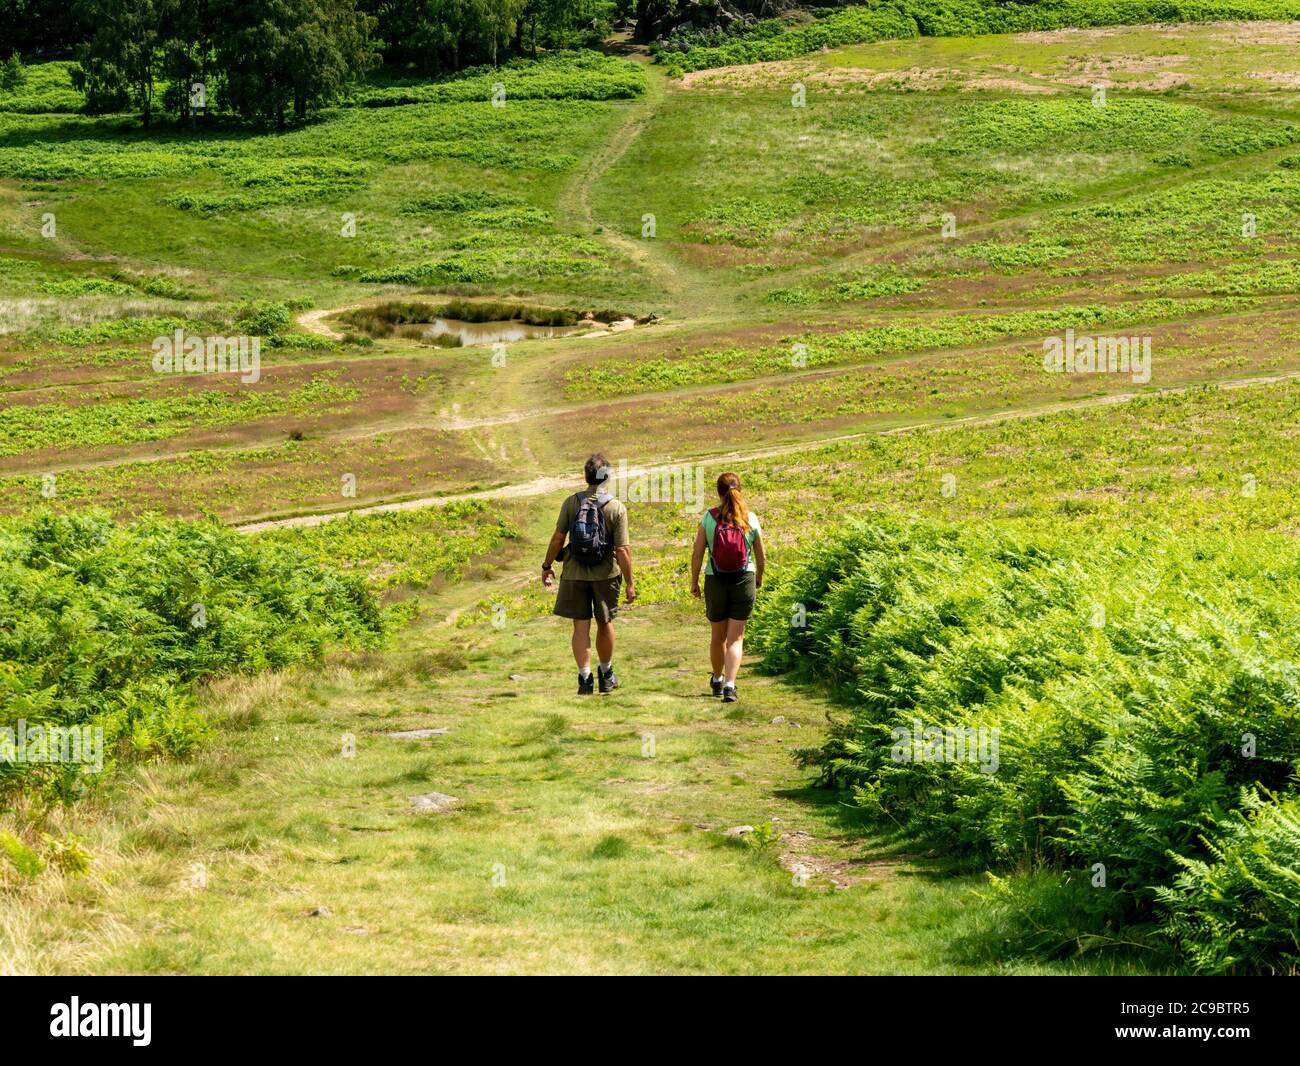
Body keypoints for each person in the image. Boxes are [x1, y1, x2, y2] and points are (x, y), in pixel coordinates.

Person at [542, 453, 635, 694]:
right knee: (605, 624)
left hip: (574, 574)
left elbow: (558, 539)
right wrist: (630, 583)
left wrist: (547, 566)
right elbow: (623, 550)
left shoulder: (571, 503)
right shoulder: (616, 507)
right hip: (606, 576)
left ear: (586, 476)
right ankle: (606, 674)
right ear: (608, 477)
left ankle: (585, 679)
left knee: (580, 627)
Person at [690, 472, 765, 703]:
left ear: (718, 493)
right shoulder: (750, 518)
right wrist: (758, 577)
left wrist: (694, 582)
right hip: (744, 579)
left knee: (718, 637)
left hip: (716, 579)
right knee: (736, 638)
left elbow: (698, 553)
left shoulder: (709, 518)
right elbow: (762, 556)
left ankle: (717, 678)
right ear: (740, 490)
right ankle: (730, 686)